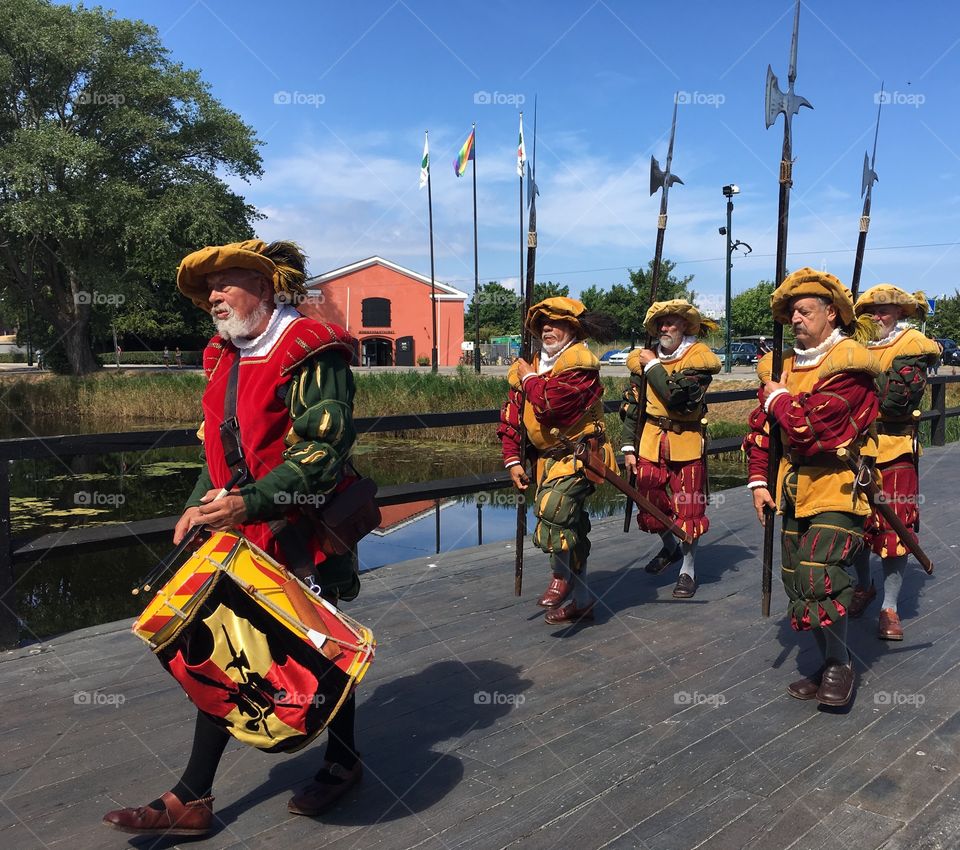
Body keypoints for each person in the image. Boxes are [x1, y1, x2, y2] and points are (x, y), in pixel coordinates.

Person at [103, 239, 363, 837]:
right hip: (235, 527)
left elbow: (322, 450)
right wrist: (197, 505)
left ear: (266, 287)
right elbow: (217, 447)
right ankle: (196, 796)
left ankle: (335, 763)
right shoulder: (222, 354)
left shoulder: (307, 348)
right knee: (229, 643)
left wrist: (251, 501)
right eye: (209, 289)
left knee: (315, 647)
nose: (214, 296)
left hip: (299, 525)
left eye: (228, 283)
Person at [743, 268, 880, 708]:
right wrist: (759, 481)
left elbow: (812, 428)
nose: (796, 319)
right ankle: (824, 664)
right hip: (793, 488)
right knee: (800, 583)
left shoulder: (850, 363)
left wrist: (779, 399)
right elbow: (764, 433)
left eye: (805, 311)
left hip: (838, 486)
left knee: (821, 576)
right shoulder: (781, 367)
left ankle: (840, 665)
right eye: (792, 313)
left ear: (832, 314)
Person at [498, 297, 618, 625]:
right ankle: (582, 600)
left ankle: (560, 577)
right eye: (542, 325)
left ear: (573, 327)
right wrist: (513, 460)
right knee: (572, 528)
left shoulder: (581, 363)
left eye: (556, 323)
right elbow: (512, 419)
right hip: (546, 462)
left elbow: (554, 406)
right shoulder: (530, 366)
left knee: (554, 508)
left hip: (581, 455)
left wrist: (528, 379)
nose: (547, 328)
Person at [850, 285, 939, 639]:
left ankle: (889, 607)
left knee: (894, 528)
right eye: (870, 310)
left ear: (900, 312)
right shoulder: (851, 345)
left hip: (893, 447)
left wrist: (855, 372)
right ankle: (863, 585)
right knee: (852, 523)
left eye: (884, 309)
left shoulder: (910, 346)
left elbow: (895, 401)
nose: (876, 316)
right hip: (854, 449)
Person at [619, 300, 721, 599]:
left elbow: (677, 397)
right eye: (661, 323)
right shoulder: (645, 358)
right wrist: (628, 446)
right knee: (650, 500)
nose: (665, 328)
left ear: (685, 326)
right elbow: (634, 404)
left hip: (686, 441)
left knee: (689, 507)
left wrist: (650, 364)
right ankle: (669, 547)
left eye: (672, 322)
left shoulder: (698, 358)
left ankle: (688, 568)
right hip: (650, 439)